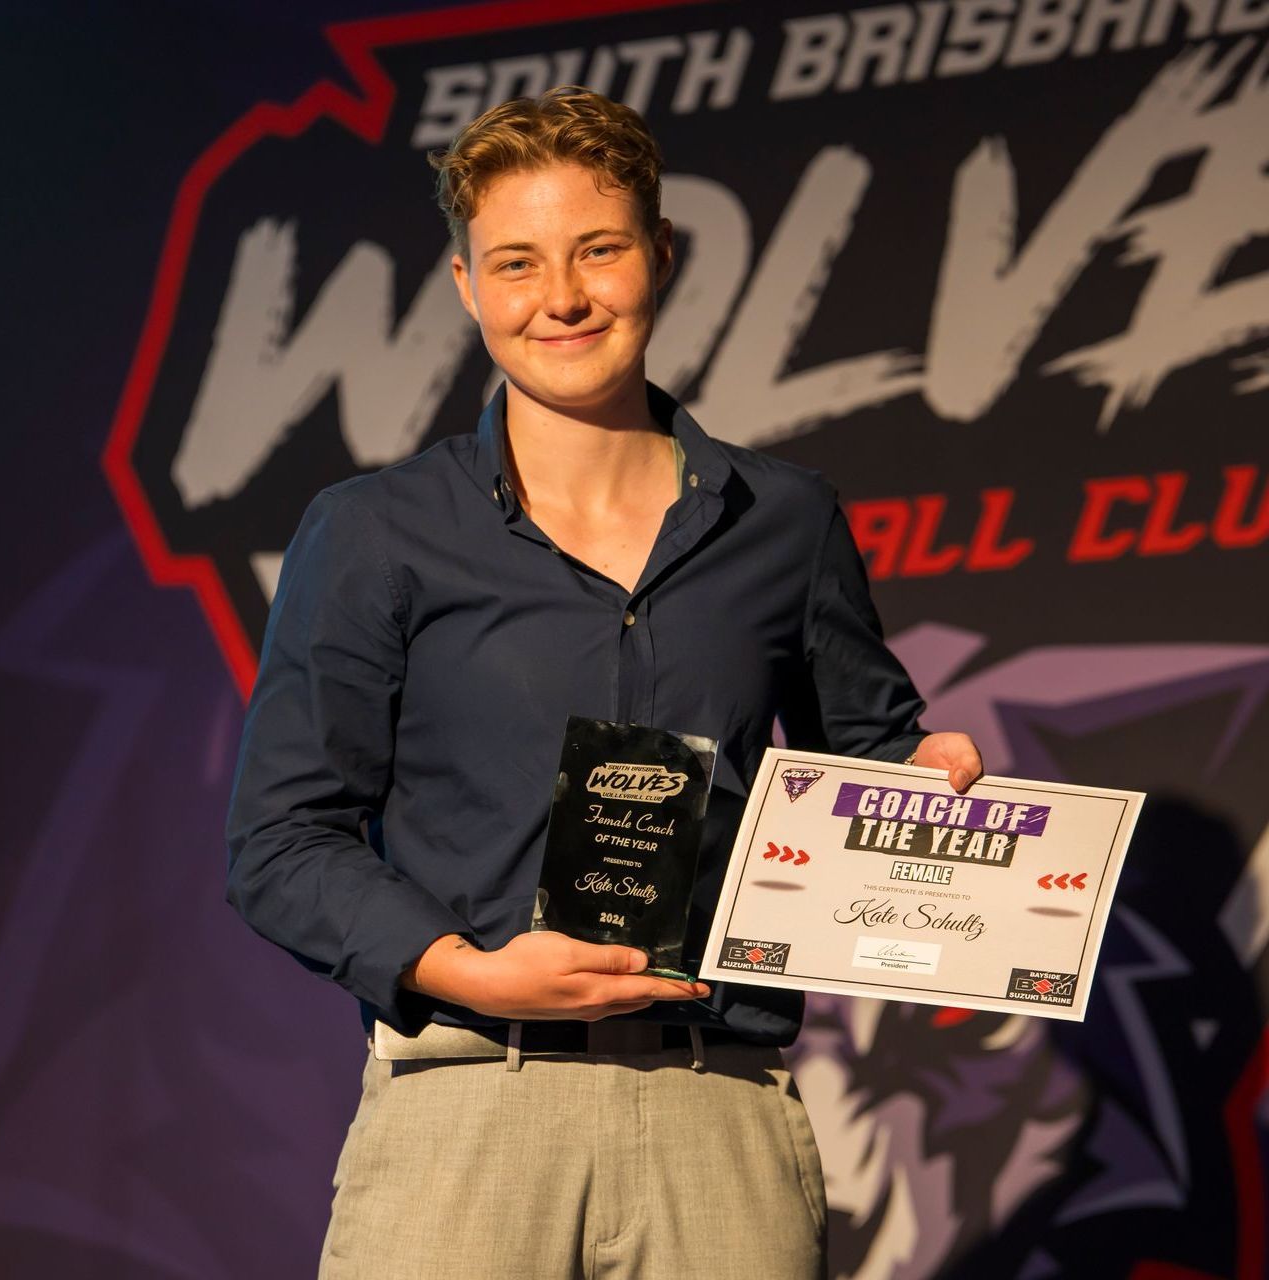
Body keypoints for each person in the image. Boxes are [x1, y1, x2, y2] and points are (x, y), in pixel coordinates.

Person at [226, 86, 983, 1279]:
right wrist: (463, 968)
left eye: (599, 249)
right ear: (469, 286)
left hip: (714, 1104)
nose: (562, 297)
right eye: (516, 263)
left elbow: (869, 758)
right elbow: (281, 840)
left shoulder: (783, 521)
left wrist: (919, 784)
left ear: (660, 255)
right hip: (468, 1102)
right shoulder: (375, 531)